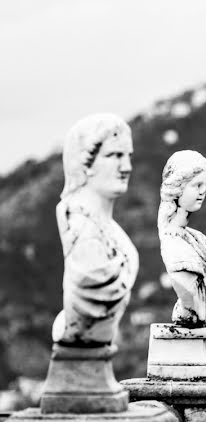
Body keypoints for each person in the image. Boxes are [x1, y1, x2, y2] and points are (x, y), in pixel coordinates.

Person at [53, 113, 138, 346]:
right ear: (86, 164)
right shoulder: (81, 229)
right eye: (114, 156)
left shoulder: (112, 233)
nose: (126, 167)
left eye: (128, 156)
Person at [158, 150, 206, 327]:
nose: (202, 192)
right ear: (178, 187)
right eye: (196, 185)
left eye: (205, 185)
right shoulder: (172, 242)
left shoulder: (198, 238)